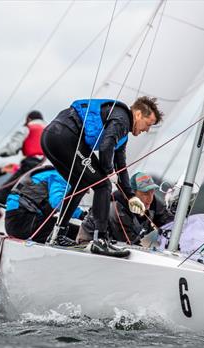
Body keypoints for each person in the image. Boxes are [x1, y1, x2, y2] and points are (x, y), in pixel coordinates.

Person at [40, 96, 162, 257]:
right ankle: (100, 240)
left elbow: (121, 167)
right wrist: (107, 170)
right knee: (103, 186)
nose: (147, 130)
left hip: (51, 137)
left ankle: (58, 234)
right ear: (138, 114)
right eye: (148, 124)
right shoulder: (122, 119)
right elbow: (106, 146)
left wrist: (131, 196)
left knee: (80, 184)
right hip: (64, 136)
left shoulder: (122, 133)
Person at [0, 110, 47, 226]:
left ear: (28, 119)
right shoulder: (48, 129)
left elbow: (12, 148)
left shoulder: (27, 128)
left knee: (3, 193)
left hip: (29, 166)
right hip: (45, 168)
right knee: (34, 199)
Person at [78, 171, 174, 245]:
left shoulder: (154, 203)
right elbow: (130, 242)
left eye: (152, 192)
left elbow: (171, 223)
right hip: (89, 243)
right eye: (145, 193)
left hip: (119, 245)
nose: (150, 198)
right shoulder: (115, 207)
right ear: (132, 193)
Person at [4, 165, 85, 243]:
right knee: (78, 233)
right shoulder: (60, 176)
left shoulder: (54, 172)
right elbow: (58, 202)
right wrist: (83, 215)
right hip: (23, 221)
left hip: (18, 222)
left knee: (73, 230)